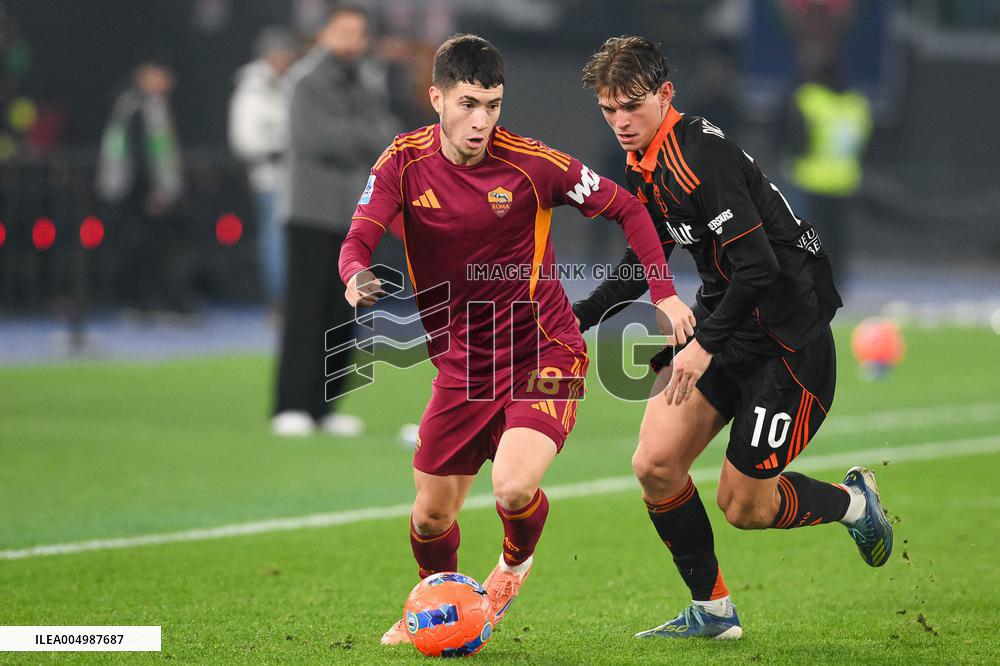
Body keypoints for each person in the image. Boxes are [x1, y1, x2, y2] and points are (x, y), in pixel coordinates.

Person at [338, 34, 694, 645]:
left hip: (544, 350)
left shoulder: (531, 165)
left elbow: (631, 210)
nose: (482, 122)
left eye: (494, 105)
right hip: (462, 367)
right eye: (469, 104)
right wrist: (355, 277)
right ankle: (437, 605)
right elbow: (356, 241)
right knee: (429, 518)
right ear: (436, 98)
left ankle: (511, 565)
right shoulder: (401, 163)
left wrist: (661, 293)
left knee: (513, 486)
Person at [572, 36, 892, 640]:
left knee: (744, 507)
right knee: (656, 465)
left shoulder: (702, 160)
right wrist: (572, 321)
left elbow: (760, 268)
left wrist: (702, 344)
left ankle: (854, 505)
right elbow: (641, 263)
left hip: (787, 343)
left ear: (666, 95)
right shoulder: (644, 163)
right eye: (608, 110)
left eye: (631, 106)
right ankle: (714, 613)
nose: (619, 122)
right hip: (728, 321)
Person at [272, 6, 397, 437]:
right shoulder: (305, 80)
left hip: (356, 217)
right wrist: (362, 136)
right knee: (305, 310)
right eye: (342, 30)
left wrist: (360, 136)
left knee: (346, 311)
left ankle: (325, 407)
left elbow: (387, 136)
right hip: (310, 212)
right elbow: (318, 139)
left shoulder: (368, 78)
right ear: (324, 33)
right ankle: (290, 404)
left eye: (358, 32)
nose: (350, 40)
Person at [96, 61, 191, 317]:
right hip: (137, 192)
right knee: (143, 249)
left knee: (151, 249)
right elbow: (139, 155)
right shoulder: (138, 107)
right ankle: (142, 303)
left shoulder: (148, 106)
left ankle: (150, 303)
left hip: (141, 191)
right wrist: (154, 192)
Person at [228, 26, 299, 313]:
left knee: (292, 243)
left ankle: (294, 300)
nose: (288, 59)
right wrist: (281, 146)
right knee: (275, 243)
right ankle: (279, 302)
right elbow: (244, 141)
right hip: (270, 177)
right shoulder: (252, 88)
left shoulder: (288, 84)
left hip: (296, 180)